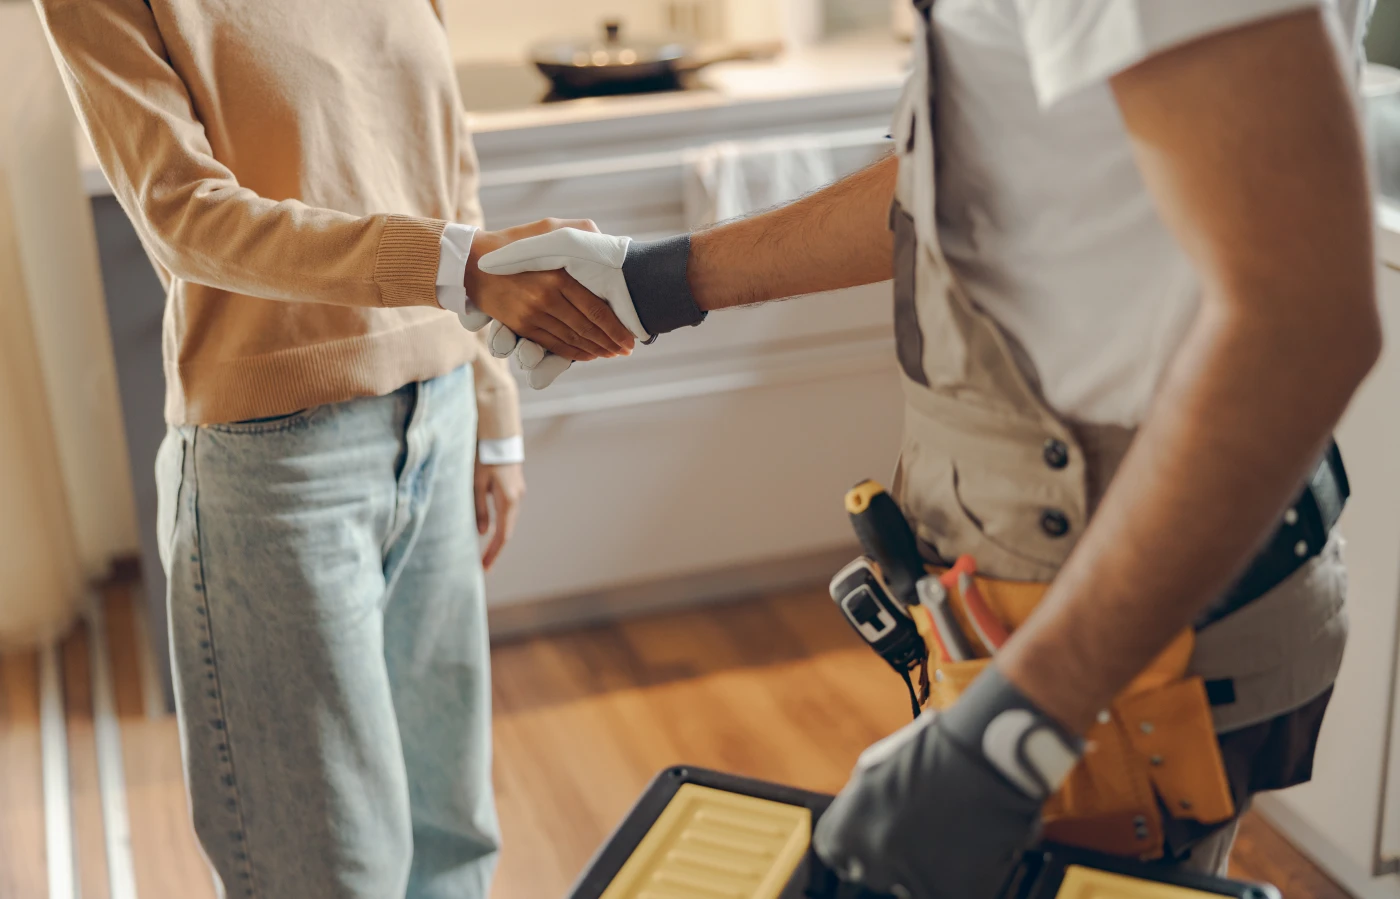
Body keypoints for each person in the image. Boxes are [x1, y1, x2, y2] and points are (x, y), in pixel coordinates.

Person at [471, 0, 1378, 895]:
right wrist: (656, 283)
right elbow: (979, 183)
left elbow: (1302, 326)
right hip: (1032, 608)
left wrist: (1015, 727)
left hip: (1128, 636)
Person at [33, 1, 635, 897]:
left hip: (437, 415)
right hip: (277, 471)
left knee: (453, 841)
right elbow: (185, 216)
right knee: (327, 874)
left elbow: (444, 168)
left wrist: (488, 399)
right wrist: (458, 266)